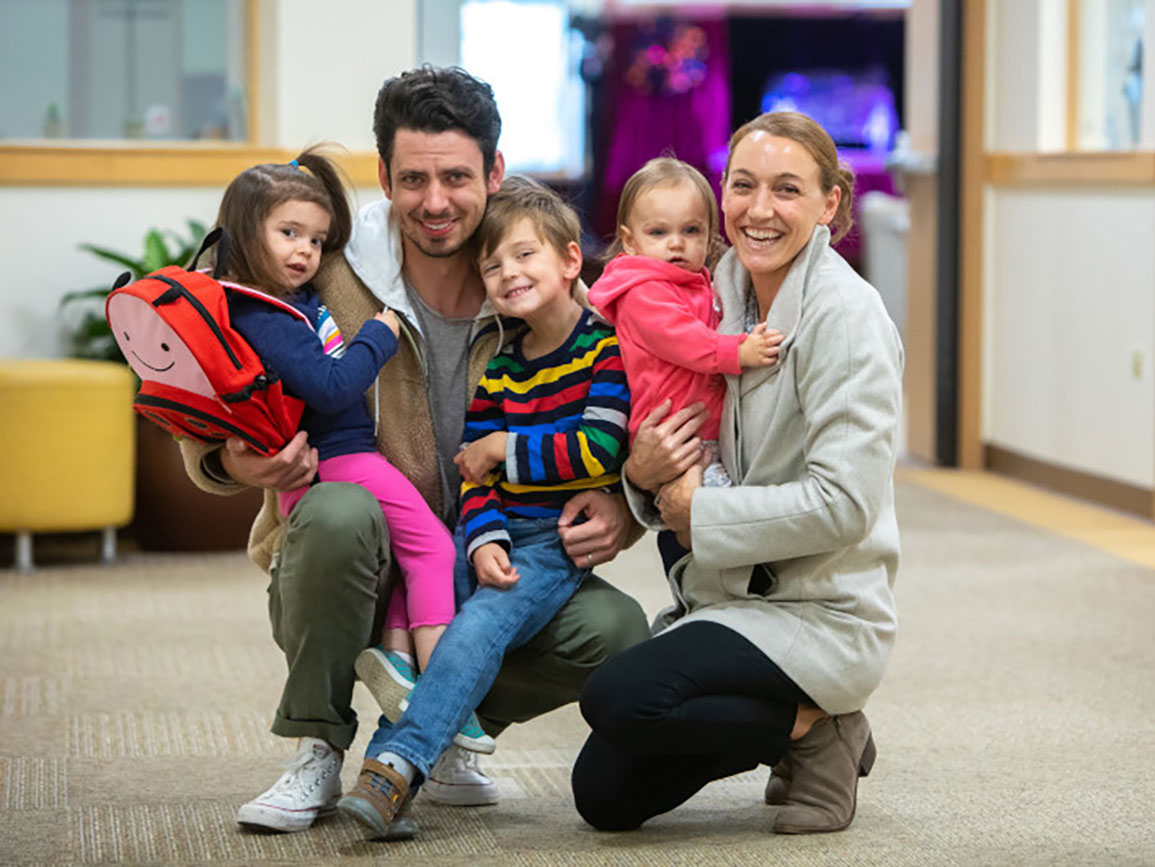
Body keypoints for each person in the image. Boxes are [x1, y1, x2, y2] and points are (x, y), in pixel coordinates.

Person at [179, 66, 649, 836]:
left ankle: (441, 728)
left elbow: (626, 407)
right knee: (338, 511)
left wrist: (622, 507)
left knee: (616, 631)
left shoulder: (532, 275)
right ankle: (318, 745)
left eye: (457, 177)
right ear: (385, 177)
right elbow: (202, 394)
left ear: (494, 174)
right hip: (354, 560)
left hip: (485, 554)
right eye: (414, 179)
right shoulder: (324, 269)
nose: (435, 202)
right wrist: (233, 462)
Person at [570, 111, 903, 835]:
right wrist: (641, 467)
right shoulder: (709, 284)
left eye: (787, 189)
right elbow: (659, 416)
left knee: (621, 697)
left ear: (829, 205)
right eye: (742, 185)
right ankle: (799, 725)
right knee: (603, 793)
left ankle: (818, 726)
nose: (758, 209)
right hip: (724, 596)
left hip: (817, 609)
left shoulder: (847, 317)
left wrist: (699, 514)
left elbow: (845, 504)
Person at [338, 177, 631, 840]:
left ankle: (392, 769)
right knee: (430, 602)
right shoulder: (501, 366)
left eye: (524, 255)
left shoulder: (602, 349)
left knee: (472, 631)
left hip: (553, 543)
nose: (507, 273)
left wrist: (507, 446)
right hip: (495, 533)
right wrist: (481, 536)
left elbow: (599, 448)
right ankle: (409, 733)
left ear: (567, 260)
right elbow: (472, 469)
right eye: (492, 265)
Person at [209, 146, 492, 763]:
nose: (305, 253)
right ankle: (443, 700)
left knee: (413, 550)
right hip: (340, 460)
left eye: (315, 239)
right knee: (434, 550)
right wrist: (378, 336)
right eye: (288, 234)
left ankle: (396, 659)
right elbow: (333, 385)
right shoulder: (266, 314)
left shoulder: (291, 301)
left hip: (337, 461)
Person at [587, 156, 783, 485]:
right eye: (658, 232)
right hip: (676, 437)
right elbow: (685, 339)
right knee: (713, 513)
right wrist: (739, 352)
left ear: (709, 237)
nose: (676, 243)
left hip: (708, 430)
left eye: (691, 230)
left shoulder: (695, 282)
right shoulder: (642, 292)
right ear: (630, 240)